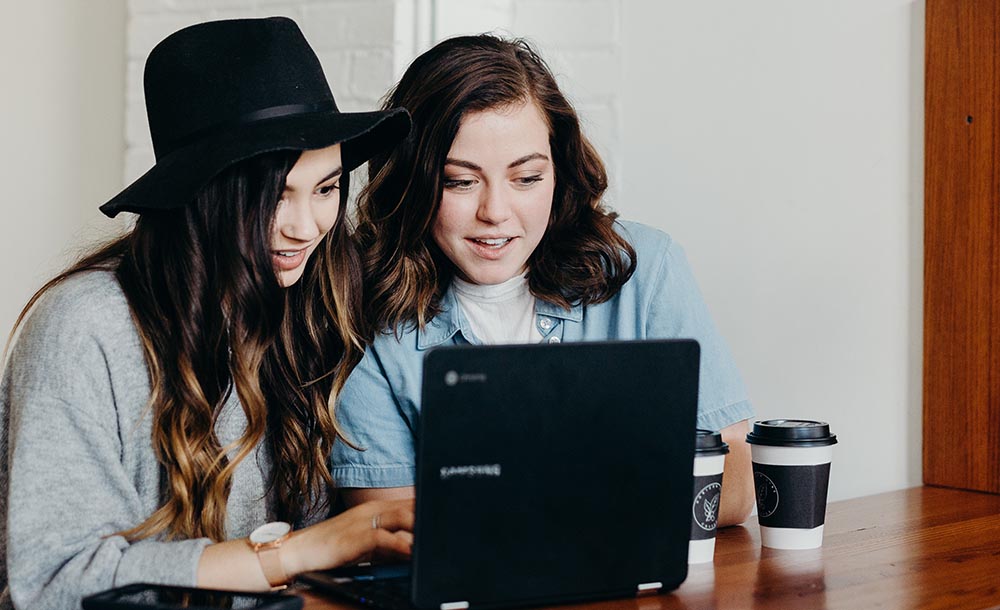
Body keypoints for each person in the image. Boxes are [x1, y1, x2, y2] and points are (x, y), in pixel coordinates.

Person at [0, 18, 415, 609]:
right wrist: (305, 550)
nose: (306, 228)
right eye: (275, 196)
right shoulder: (85, 326)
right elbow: (57, 582)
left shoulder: (315, 303)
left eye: (327, 188)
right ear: (205, 193)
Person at [330, 34, 756, 527]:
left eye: (526, 178)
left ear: (559, 171)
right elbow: (386, 526)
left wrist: (519, 504)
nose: (495, 212)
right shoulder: (362, 306)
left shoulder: (645, 269)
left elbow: (734, 486)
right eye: (460, 181)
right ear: (413, 181)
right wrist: (616, 486)